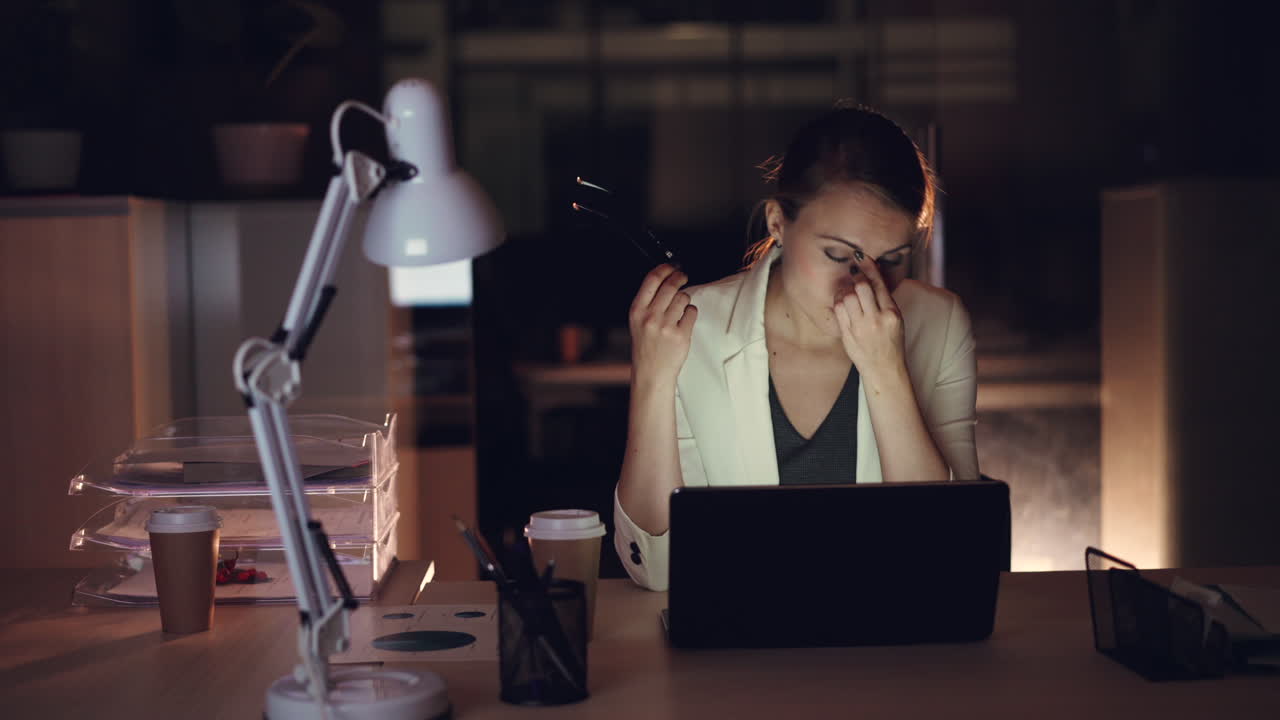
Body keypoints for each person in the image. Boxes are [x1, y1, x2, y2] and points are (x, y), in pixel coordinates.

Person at [613, 103, 980, 591]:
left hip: (890, 648)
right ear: (777, 223)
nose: (865, 285)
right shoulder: (689, 328)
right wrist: (652, 382)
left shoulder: (940, 324)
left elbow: (953, 554)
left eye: (893, 259)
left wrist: (886, 371)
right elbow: (656, 570)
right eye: (836, 254)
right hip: (737, 646)